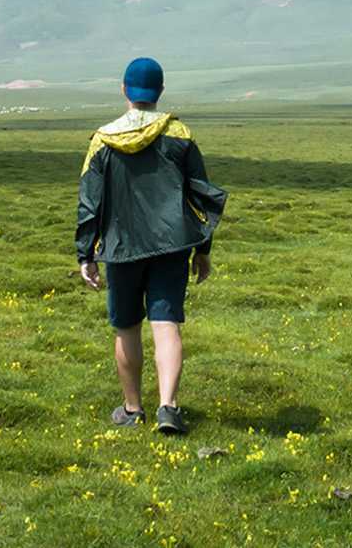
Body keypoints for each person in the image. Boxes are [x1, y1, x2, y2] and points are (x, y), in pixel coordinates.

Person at [74, 56, 225, 434]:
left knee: (126, 328)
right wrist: (203, 249)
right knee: (166, 324)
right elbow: (201, 197)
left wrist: (85, 253)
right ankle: (168, 407)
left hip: (120, 249)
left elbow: (89, 202)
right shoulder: (181, 135)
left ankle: (132, 408)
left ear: (124, 89)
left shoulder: (102, 140)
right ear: (160, 91)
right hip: (172, 246)